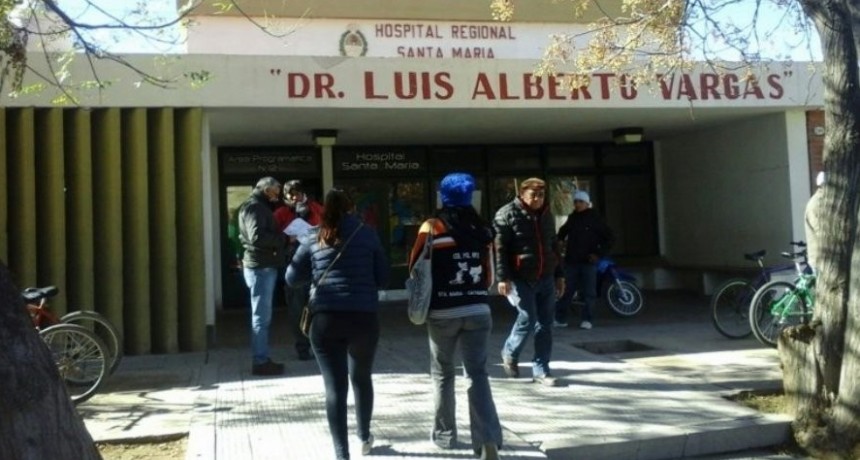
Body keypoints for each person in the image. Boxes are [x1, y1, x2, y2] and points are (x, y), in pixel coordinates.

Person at [286, 188, 389, 460]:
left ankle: (341, 454)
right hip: (363, 318)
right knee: (362, 378)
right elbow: (383, 278)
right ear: (352, 209)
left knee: (335, 388)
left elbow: (291, 278)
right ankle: (364, 438)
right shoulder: (368, 234)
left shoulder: (312, 236)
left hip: (325, 319)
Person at [408, 173, 503, 460]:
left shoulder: (432, 227)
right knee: (477, 373)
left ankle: (445, 436)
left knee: (442, 373)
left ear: (443, 197)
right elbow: (488, 276)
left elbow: (414, 266)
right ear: (469, 196)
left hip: (442, 312)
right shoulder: (483, 228)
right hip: (478, 309)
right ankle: (487, 440)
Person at [494, 177, 565, 387]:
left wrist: (559, 275)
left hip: (546, 277)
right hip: (520, 277)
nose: (538, 199)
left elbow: (554, 246)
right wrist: (503, 278)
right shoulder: (506, 213)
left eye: (541, 195)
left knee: (545, 324)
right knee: (528, 317)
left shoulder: (547, 215)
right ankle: (510, 351)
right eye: (533, 195)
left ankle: (541, 370)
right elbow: (500, 249)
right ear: (522, 194)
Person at [237, 177, 288, 376]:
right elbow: (257, 237)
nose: (279, 194)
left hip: (261, 265)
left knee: (261, 316)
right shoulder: (255, 208)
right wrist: (285, 238)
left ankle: (262, 358)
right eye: (277, 190)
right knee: (261, 317)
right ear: (267, 190)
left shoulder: (255, 206)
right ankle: (260, 361)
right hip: (261, 267)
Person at [275, 179, 324, 361]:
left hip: (315, 262)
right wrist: (288, 239)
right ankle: (302, 346)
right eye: (289, 196)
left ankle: (317, 342)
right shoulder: (280, 213)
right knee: (296, 308)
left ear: (303, 194)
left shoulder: (317, 209)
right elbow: (272, 236)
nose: (293, 199)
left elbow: (329, 229)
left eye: (295, 194)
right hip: (292, 263)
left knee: (317, 305)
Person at [553, 190, 614, 330]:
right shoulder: (573, 218)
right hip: (572, 260)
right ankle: (560, 318)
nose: (577, 204)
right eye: (575, 202)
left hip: (589, 262)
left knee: (589, 292)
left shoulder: (595, 219)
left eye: (580, 201)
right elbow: (563, 231)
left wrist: (598, 254)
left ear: (587, 203)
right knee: (566, 290)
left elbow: (610, 238)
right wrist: (560, 240)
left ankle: (588, 319)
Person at [805, 171, 825, 273]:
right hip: (818, 258)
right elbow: (819, 231)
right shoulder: (815, 204)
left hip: (822, 257)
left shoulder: (821, 201)